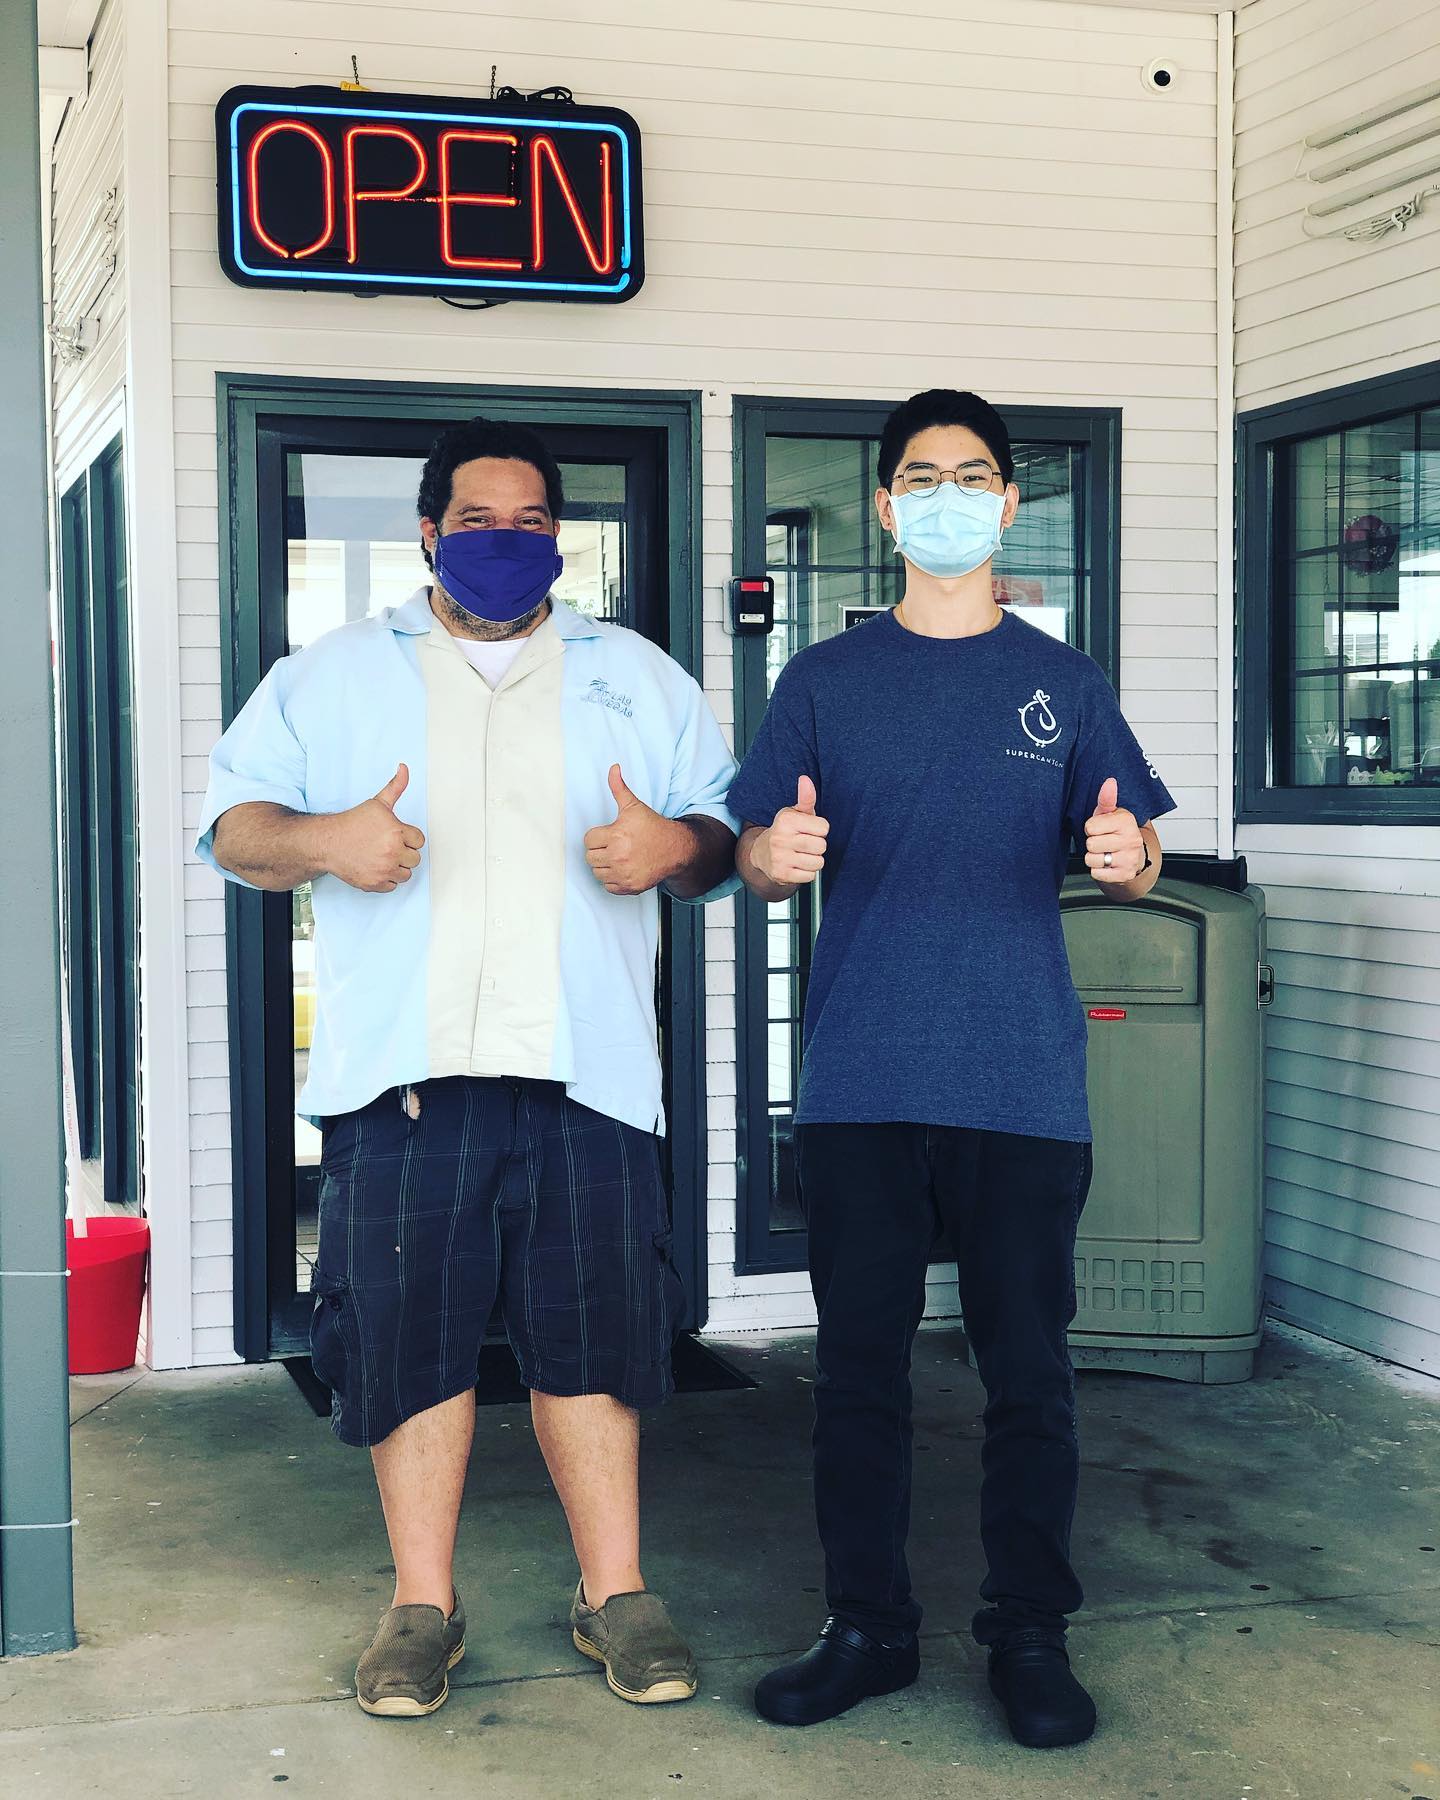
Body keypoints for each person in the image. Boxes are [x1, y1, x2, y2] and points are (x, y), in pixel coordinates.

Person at [196, 417, 739, 1718]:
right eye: (479, 521)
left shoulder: (636, 675)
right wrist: (328, 840)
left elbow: (724, 832)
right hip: (405, 1076)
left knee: (596, 1340)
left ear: (560, 534)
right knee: (408, 1343)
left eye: (532, 522)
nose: (508, 541)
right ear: (430, 533)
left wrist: (672, 849)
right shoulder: (331, 675)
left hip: (588, 1075)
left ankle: (617, 1593)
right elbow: (233, 828)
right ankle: (420, 1607)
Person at [728, 389, 1175, 1749]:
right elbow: (755, 850)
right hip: (863, 1078)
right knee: (859, 1374)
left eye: (972, 476)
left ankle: (1029, 1632)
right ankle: (866, 1627)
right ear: (885, 508)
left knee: (1028, 1375)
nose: (947, 497)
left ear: (1007, 504)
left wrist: (1129, 862)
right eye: (921, 478)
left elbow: (1132, 841)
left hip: (1020, 1081)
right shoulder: (822, 680)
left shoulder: (1064, 682)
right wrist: (770, 860)